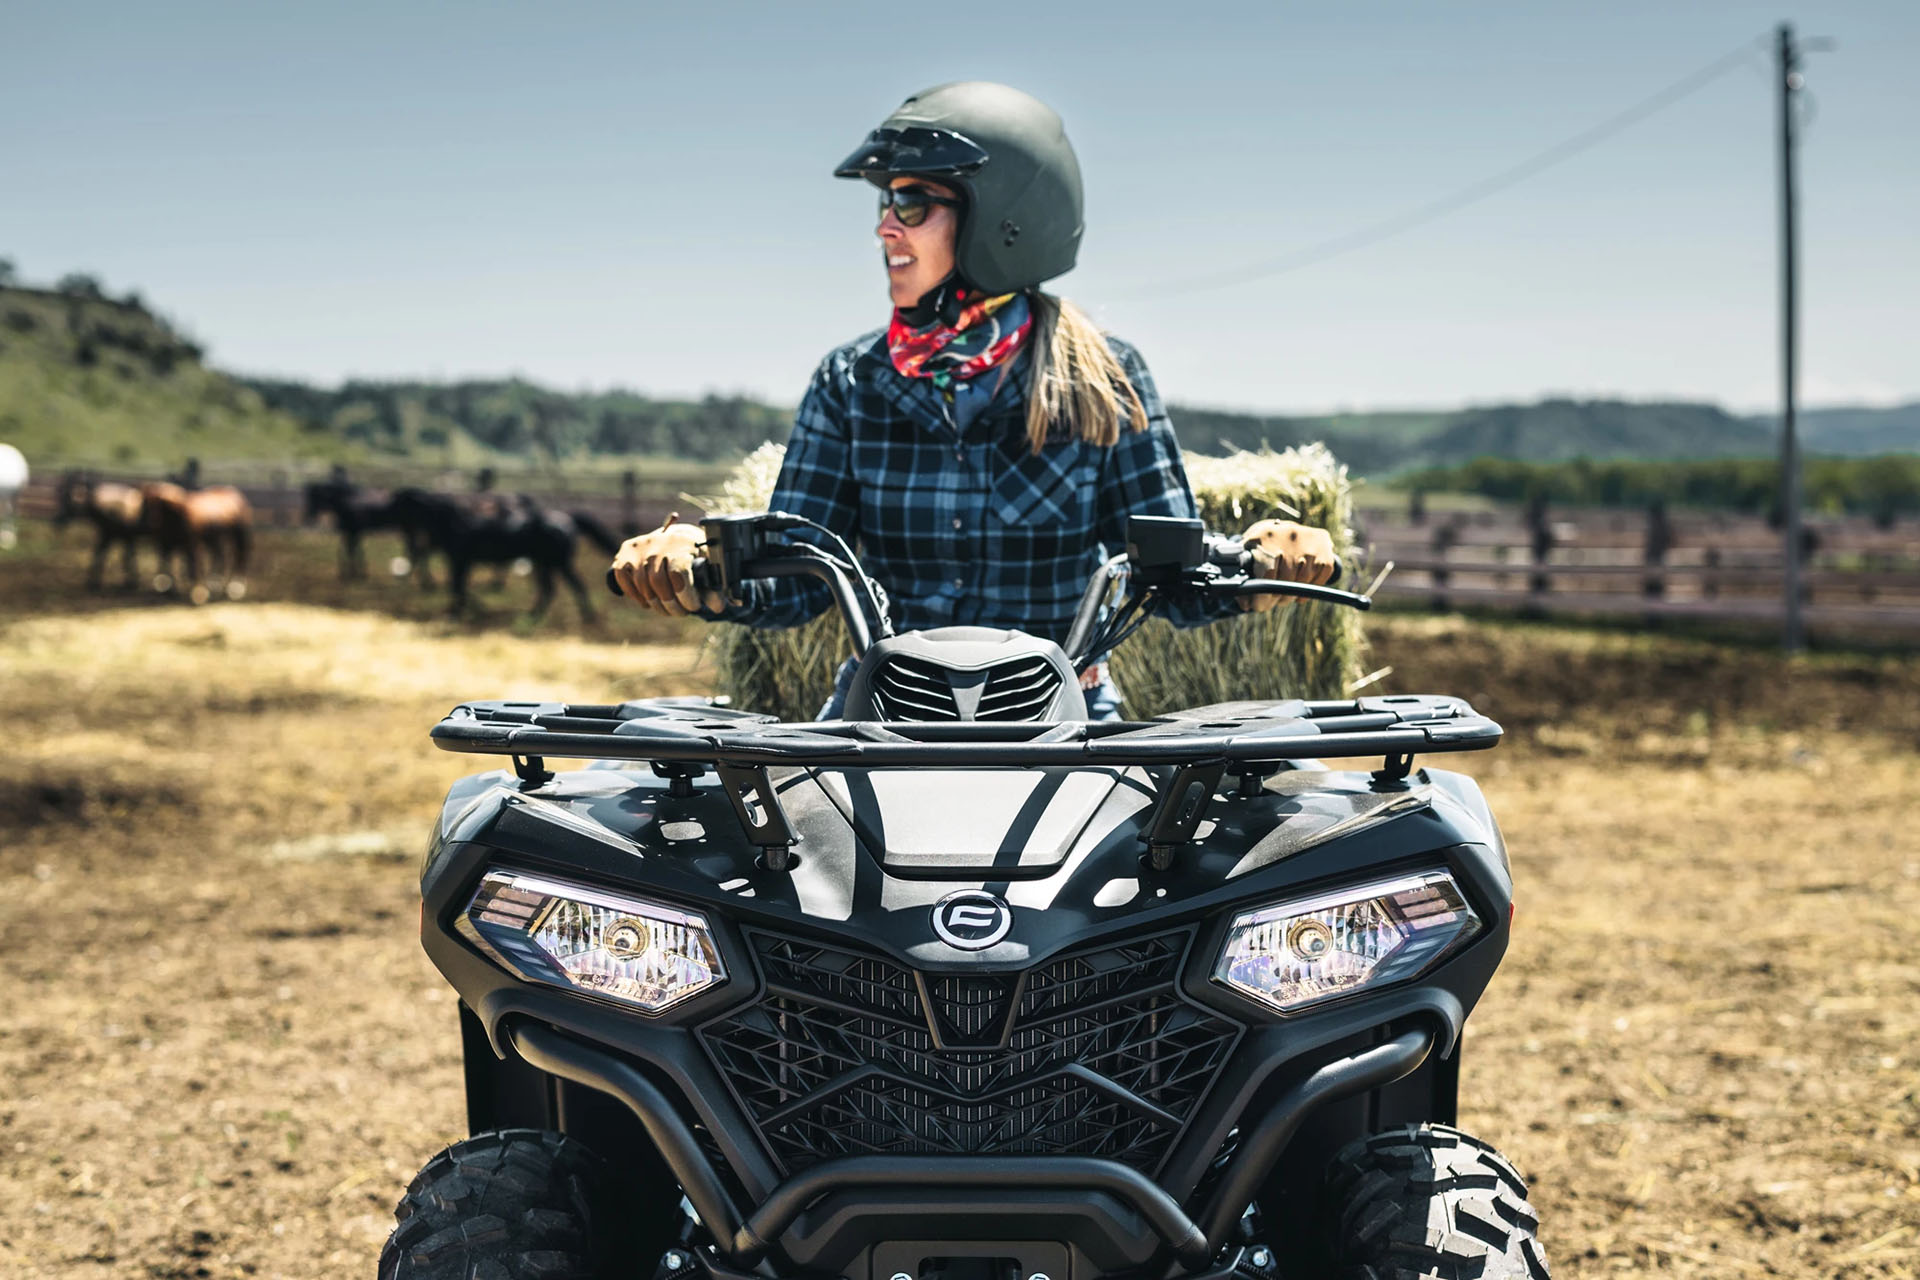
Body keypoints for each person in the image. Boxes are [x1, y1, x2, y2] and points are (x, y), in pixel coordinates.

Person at [611, 81, 1335, 718]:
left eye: (911, 202)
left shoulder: (1104, 377)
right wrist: (702, 568)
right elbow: (799, 579)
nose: (883, 227)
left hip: (1063, 711)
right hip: (885, 707)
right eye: (885, 203)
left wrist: (1260, 564)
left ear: (1004, 222)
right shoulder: (850, 380)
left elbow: (1174, 582)